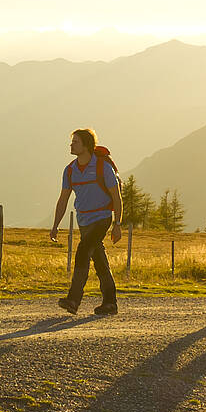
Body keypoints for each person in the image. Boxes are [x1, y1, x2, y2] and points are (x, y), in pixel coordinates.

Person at [51, 128, 120, 315]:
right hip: (84, 220)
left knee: (82, 252)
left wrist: (117, 224)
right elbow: (63, 199)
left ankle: (73, 299)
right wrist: (55, 225)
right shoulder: (70, 170)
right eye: (72, 142)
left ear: (87, 145)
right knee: (99, 259)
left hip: (102, 218)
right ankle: (110, 302)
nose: (71, 145)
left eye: (76, 142)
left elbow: (116, 196)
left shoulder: (102, 167)